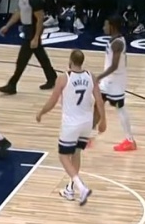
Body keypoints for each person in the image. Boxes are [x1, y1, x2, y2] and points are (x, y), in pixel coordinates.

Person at [36, 49, 106, 205]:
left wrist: (41, 112)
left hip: (71, 124)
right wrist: (103, 120)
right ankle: (70, 189)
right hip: (86, 123)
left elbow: (53, 101)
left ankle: (81, 187)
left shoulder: (63, 78)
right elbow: (100, 101)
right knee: (76, 153)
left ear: (70, 61)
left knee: (63, 156)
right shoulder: (91, 76)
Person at [0, 0, 58, 94]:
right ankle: (52, 78)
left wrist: (36, 37)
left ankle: (12, 85)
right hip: (27, 29)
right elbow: (19, 12)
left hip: (33, 30)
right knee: (41, 56)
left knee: (22, 60)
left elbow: (40, 19)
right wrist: (7, 26)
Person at [96, 16, 136, 151]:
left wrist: (99, 77)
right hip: (108, 81)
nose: (104, 27)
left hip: (116, 82)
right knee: (98, 103)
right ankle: (88, 136)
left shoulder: (117, 43)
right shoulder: (114, 40)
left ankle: (130, 140)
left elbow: (114, 66)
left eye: (106, 25)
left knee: (120, 109)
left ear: (112, 26)